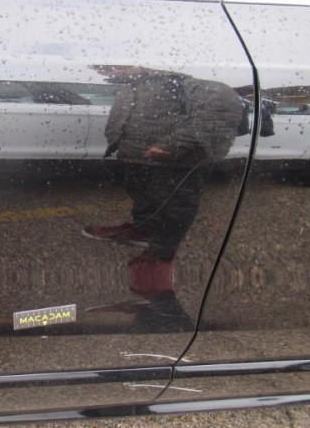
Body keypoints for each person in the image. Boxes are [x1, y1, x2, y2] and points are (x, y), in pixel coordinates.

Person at [82, 65, 245, 300]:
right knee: (143, 195)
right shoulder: (136, 85)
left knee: (176, 207)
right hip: (137, 156)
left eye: (120, 65)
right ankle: (143, 231)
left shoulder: (181, 82)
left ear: (146, 63)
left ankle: (160, 258)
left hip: (175, 160)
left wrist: (174, 145)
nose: (110, 70)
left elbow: (222, 105)